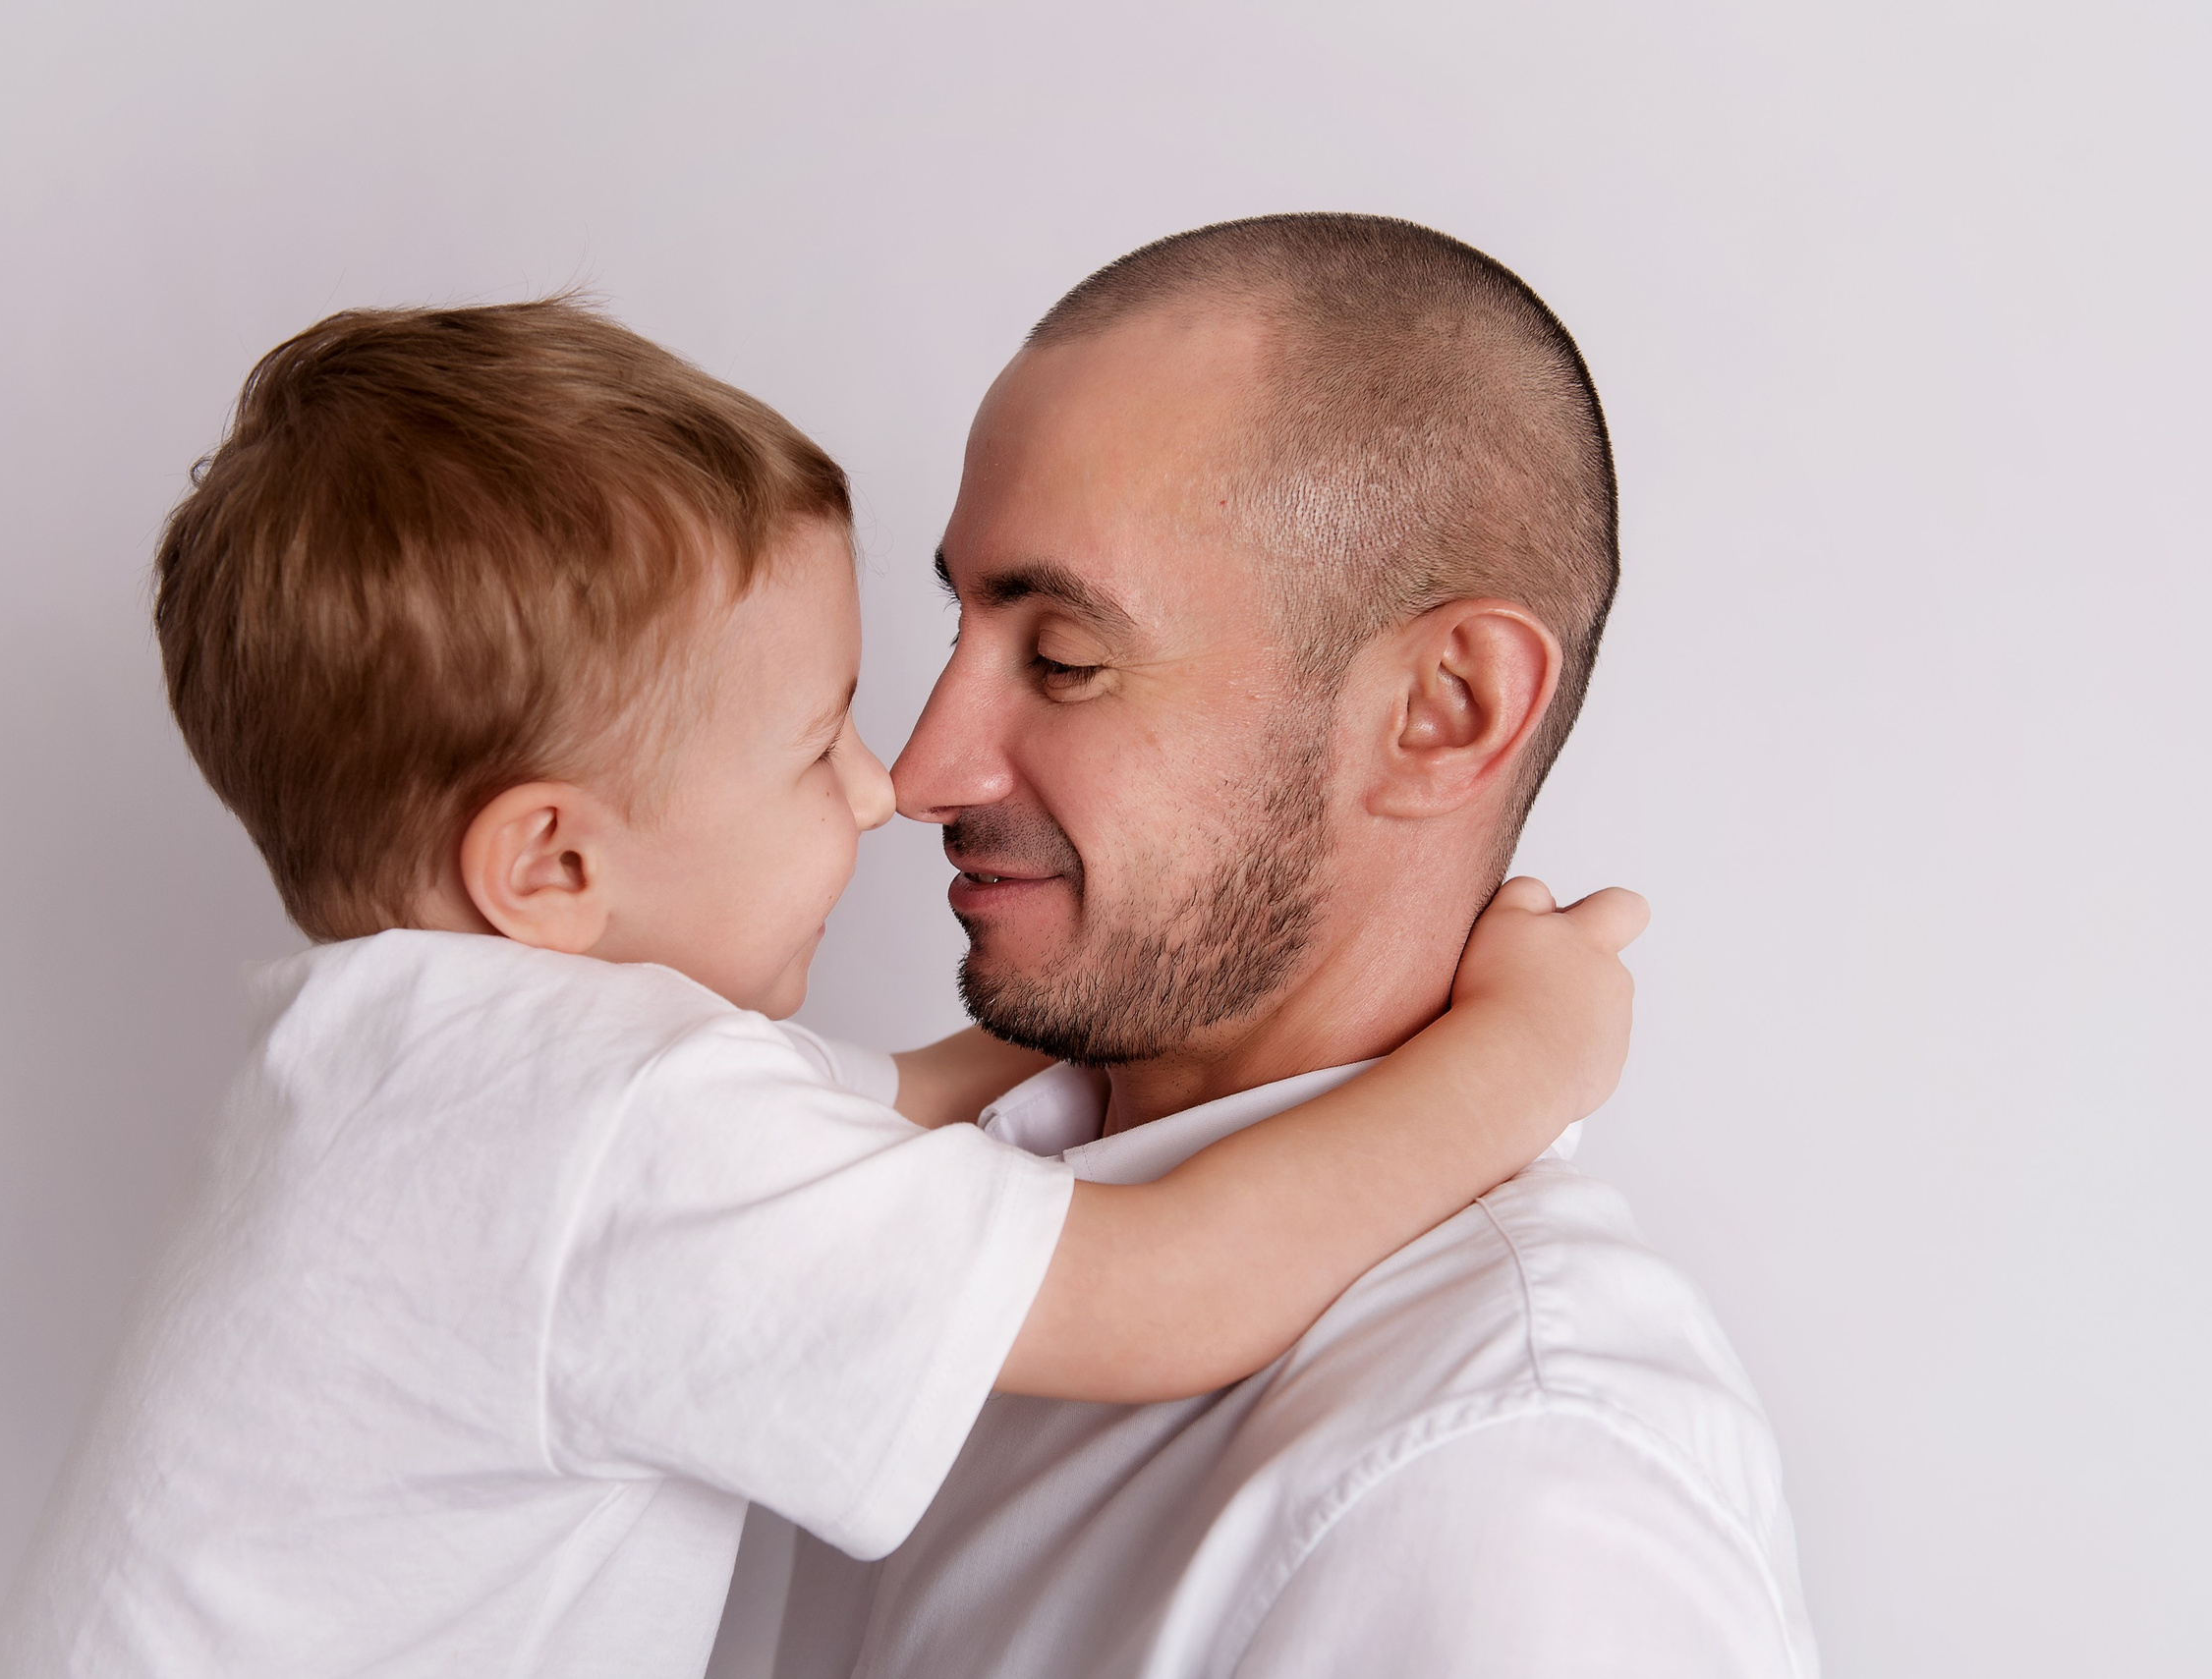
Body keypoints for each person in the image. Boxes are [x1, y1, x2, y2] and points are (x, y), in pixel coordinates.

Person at [0, 297, 1644, 1678]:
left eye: (1060, 659)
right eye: (809, 747)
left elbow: (871, 1106)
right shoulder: (617, 1130)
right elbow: (1165, 1295)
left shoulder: (420, 1070)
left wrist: (1047, 1016)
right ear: (551, 867)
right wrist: (1528, 1051)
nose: (888, 780)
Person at [741, 215, 1819, 1678]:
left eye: (1064, 658)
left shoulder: (1509, 1488)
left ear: (1442, 710)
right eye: (962, 635)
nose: (919, 769)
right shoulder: (904, 1184)